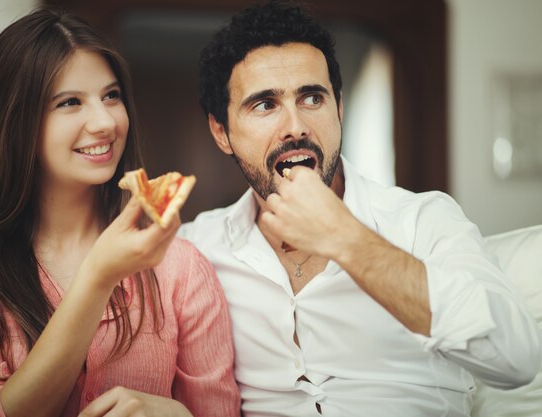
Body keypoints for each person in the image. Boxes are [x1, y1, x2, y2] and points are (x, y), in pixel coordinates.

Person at [179, 1, 541, 416]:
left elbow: (518, 360)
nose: (295, 126)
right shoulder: (196, 249)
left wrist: (346, 239)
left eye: (312, 98)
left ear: (339, 109)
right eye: (265, 105)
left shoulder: (425, 221)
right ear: (221, 132)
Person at [0, 9, 240, 417]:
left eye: (111, 96)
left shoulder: (182, 269)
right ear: (16, 121)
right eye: (70, 102)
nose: (105, 121)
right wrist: (97, 277)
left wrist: (178, 415)